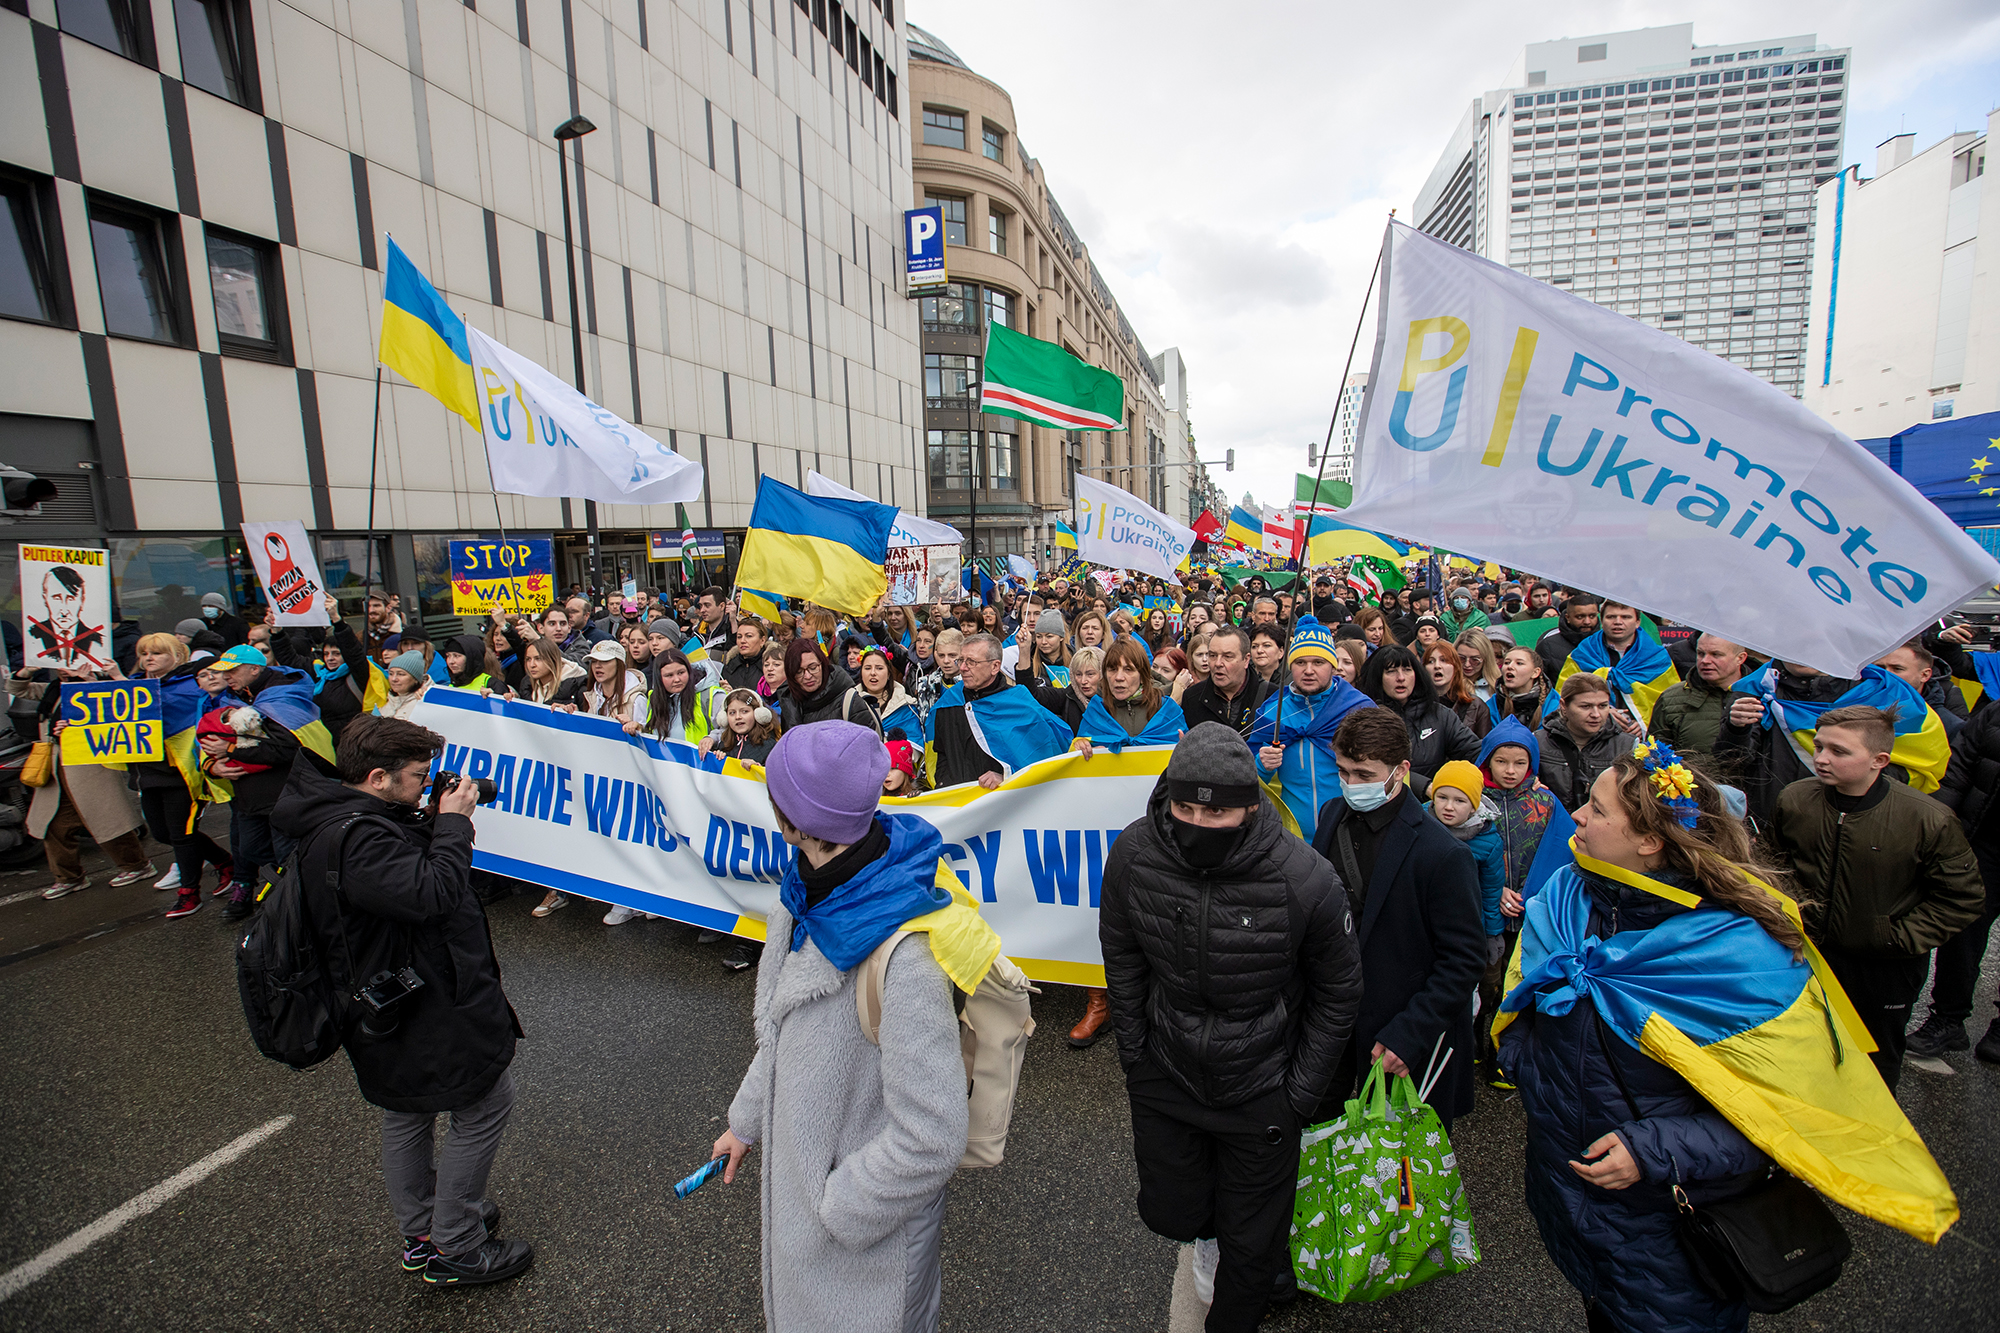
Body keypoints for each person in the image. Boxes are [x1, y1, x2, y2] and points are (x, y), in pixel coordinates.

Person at [713, 721, 1001, 1333]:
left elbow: (933, 1135)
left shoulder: (903, 953)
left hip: (864, 1250)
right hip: (818, 1224)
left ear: (794, 818)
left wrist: (835, 1212)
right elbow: (784, 1028)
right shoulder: (803, 894)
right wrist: (745, 1122)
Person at [1495, 742, 1793, 1333]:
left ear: (1651, 841)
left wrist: (1654, 1151)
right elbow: (1524, 1007)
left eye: (1598, 810)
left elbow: (1783, 1115)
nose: (1576, 815)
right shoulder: (1569, 897)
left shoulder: (1738, 954)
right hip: (1577, 1201)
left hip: (1675, 1228)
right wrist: (1529, 1065)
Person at [1099, 723, 1362, 1331]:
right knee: (1172, 1212)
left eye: (1215, 813)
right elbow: (1123, 952)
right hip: (1167, 1074)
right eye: (1184, 807)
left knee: (1252, 1252)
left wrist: (1298, 1094)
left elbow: (1339, 989)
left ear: (1250, 805)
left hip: (1261, 1090)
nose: (1197, 823)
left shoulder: (1305, 877)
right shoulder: (1135, 854)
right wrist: (1136, 1057)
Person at [270, 716, 530, 1287]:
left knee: (408, 1110)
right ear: (378, 777)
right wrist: (455, 824)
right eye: (418, 775)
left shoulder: (351, 817)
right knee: (484, 1102)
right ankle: (455, 1243)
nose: (427, 783)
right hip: (420, 1002)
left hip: (392, 998)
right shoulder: (357, 836)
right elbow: (433, 893)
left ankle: (424, 1228)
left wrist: (430, 817)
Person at [1768, 705, 1983, 1091]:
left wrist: (1895, 937)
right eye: (1818, 746)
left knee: (1874, 1065)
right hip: (1807, 957)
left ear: (1879, 760)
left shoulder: (1927, 819)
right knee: (1806, 1052)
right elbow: (1777, 867)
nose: (1821, 758)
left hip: (1885, 969)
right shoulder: (1795, 800)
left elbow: (1961, 898)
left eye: (1839, 751)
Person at [1309, 707, 1485, 1130]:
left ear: (1401, 770)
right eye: (1343, 772)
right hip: (1331, 1015)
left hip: (1396, 1026)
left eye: (1364, 775)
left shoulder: (1442, 854)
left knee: (1396, 1170)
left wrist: (1411, 1033)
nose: (1351, 785)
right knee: (1315, 1137)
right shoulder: (1332, 814)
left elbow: (1463, 960)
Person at [206, 644, 332, 920]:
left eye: (233, 670)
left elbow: (286, 748)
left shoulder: (283, 696)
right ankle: (291, 890)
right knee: (251, 848)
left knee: (288, 854)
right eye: (223, 671)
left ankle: (301, 911)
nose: (226, 677)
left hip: (283, 793)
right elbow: (204, 742)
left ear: (254, 669)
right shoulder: (230, 698)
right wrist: (213, 766)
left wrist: (230, 752)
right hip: (248, 797)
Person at [11, 662, 158, 899]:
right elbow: (17, 689)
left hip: (89, 767)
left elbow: (127, 706)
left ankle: (137, 866)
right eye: (58, 665)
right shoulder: (54, 688)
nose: (62, 670)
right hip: (56, 767)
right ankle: (69, 878)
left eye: (68, 666)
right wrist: (27, 670)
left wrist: (89, 684)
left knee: (106, 822)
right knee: (53, 825)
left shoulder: (96, 688)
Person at [1475, 716, 1563, 1085]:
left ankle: (1502, 1057)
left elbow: (1562, 854)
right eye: (1501, 761)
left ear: (1533, 764)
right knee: (1483, 985)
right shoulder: (1472, 802)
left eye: (1520, 762)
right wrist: (1493, 894)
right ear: (1486, 760)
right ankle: (1472, 1046)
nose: (1510, 771)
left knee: (1516, 987)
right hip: (1484, 916)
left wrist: (1531, 895)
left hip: (1528, 915)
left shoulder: (1546, 802)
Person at [1914, 693, 2000, 1062]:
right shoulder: (1994, 714)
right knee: (1961, 932)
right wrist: (1943, 834)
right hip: (1984, 841)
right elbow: (1959, 768)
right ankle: (1948, 1020)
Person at [128, 634, 234, 913]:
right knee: (162, 834)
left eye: (157, 653)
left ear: (176, 656)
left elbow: (163, 707)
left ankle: (190, 893)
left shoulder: (190, 686)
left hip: (180, 775)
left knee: (182, 834)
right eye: (144, 653)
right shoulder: (131, 688)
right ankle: (224, 861)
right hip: (147, 773)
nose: (149, 658)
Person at [1247, 616, 1370, 843]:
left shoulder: (1359, 708)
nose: (1309, 670)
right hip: (1291, 839)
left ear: (1332, 666)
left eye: (1318, 662)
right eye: (1300, 662)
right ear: (1290, 665)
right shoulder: (1272, 710)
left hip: (1349, 835)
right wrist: (1262, 765)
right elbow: (1248, 778)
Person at [924, 632, 1071, 791]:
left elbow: (1044, 758)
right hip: (960, 804)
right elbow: (942, 756)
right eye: (961, 660)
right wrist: (944, 787)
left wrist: (1007, 777)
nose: (963, 668)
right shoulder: (948, 704)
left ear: (995, 666)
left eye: (972, 662)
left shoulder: (1019, 702)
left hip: (1005, 801)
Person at [1355, 644, 1482, 797]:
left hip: (1435, 808)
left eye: (1407, 670)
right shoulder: (1365, 719)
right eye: (1391, 671)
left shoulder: (1439, 714)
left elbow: (1475, 753)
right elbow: (1375, 767)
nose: (1401, 678)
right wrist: (1425, 786)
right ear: (1377, 677)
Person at [1429, 760, 1506, 994]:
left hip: (1466, 922)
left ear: (1474, 806)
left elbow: (1491, 891)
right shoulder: (1419, 823)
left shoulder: (1489, 842)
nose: (1448, 807)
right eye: (1442, 797)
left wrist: (1492, 934)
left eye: (1460, 800)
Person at [1649, 633, 1749, 782]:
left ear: (1740, 658)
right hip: (1694, 796)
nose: (1705, 661)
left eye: (1716, 655)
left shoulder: (1763, 696)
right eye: (1700, 653)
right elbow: (1655, 758)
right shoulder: (1671, 698)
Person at [1537, 674, 1638, 812]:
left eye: (1603, 706)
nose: (1596, 714)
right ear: (1563, 706)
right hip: (1554, 827)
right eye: (1586, 706)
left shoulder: (1628, 746)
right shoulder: (1537, 742)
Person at [1180, 626, 1273, 736]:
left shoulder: (1272, 696)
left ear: (1246, 659)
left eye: (1228, 656)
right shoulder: (1192, 698)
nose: (1218, 663)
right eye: (1213, 655)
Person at [778, 638, 878, 733]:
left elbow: (867, 745)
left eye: (813, 668)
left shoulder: (849, 700)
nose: (807, 676)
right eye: (799, 672)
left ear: (823, 664)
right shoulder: (789, 701)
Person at [1425, 641, 1493, 741]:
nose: (1437, 666)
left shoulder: (1477, 706)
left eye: (1444, 660)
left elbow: (1483, 749)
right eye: (1431, 661)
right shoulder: (1414, 705)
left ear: (1455, 667)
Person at [697, 688, 781, 767]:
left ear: (758, 714)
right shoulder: (723, 744)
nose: (738, 717)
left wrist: (757, 769)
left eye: (744, 711)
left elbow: (777, 777)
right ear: (725, 718)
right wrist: (717, 759)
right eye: (732, 713)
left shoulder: (771, 747)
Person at [856, 646, 922, 739]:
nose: (873, 673)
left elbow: (913, 747)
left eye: (879, 668)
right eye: (867, 668)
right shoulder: (849, 704)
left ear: (888, 674)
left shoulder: (906, 707)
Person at [1535, 593, 1598, 683]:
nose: (1587, 622)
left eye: (1592, 616)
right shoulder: (1548, 646)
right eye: (1580, 617)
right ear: (1568, 617)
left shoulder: (1607, 643)